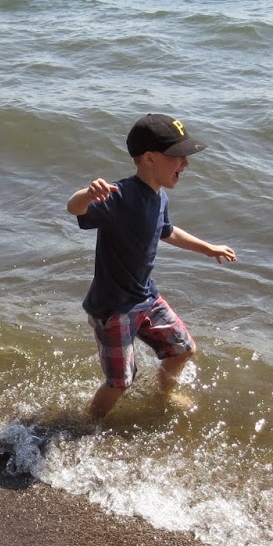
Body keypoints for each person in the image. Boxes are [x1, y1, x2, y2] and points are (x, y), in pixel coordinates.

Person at [66, 113, 236, 420]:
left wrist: (207, 248)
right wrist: (88, 195)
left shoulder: (160, 197)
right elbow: (74, 209)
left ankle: (164, 395)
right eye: (178, 156)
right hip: (114, 309)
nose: (185, 163)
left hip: (146, 297)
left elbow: (167, 231)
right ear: (149, 159)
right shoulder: (119, 196)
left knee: (183, 349)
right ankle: (88, 425)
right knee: (120, 382)